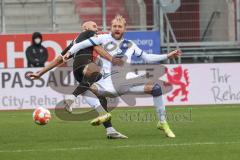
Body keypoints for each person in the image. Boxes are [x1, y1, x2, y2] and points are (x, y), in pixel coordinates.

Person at [63, 15, 181, 138]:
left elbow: (147, 57)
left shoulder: (130, 44)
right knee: (85, 87)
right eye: (114, 26)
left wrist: (167, 56)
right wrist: (69, 53)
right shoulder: (102, 38)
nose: (117, 28)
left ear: (124, 29)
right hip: (107, 83)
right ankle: (103, 115)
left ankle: (163, 123)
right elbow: (81, 44)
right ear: (110, 28)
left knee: (156, 88)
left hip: (127, 81)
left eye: (120, 26)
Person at [27, 21, 127, 139]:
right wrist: (112, 59)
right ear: (85, 28)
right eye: (94, 26)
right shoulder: (89, 33)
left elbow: (59, 59)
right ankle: (71, 98)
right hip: (86, 66)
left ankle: (110, 130)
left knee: (96, 94)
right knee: (98, 70)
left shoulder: (74, 41)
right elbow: (97, 47)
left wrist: (41, 72)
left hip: (77, 71)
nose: (97, 28)